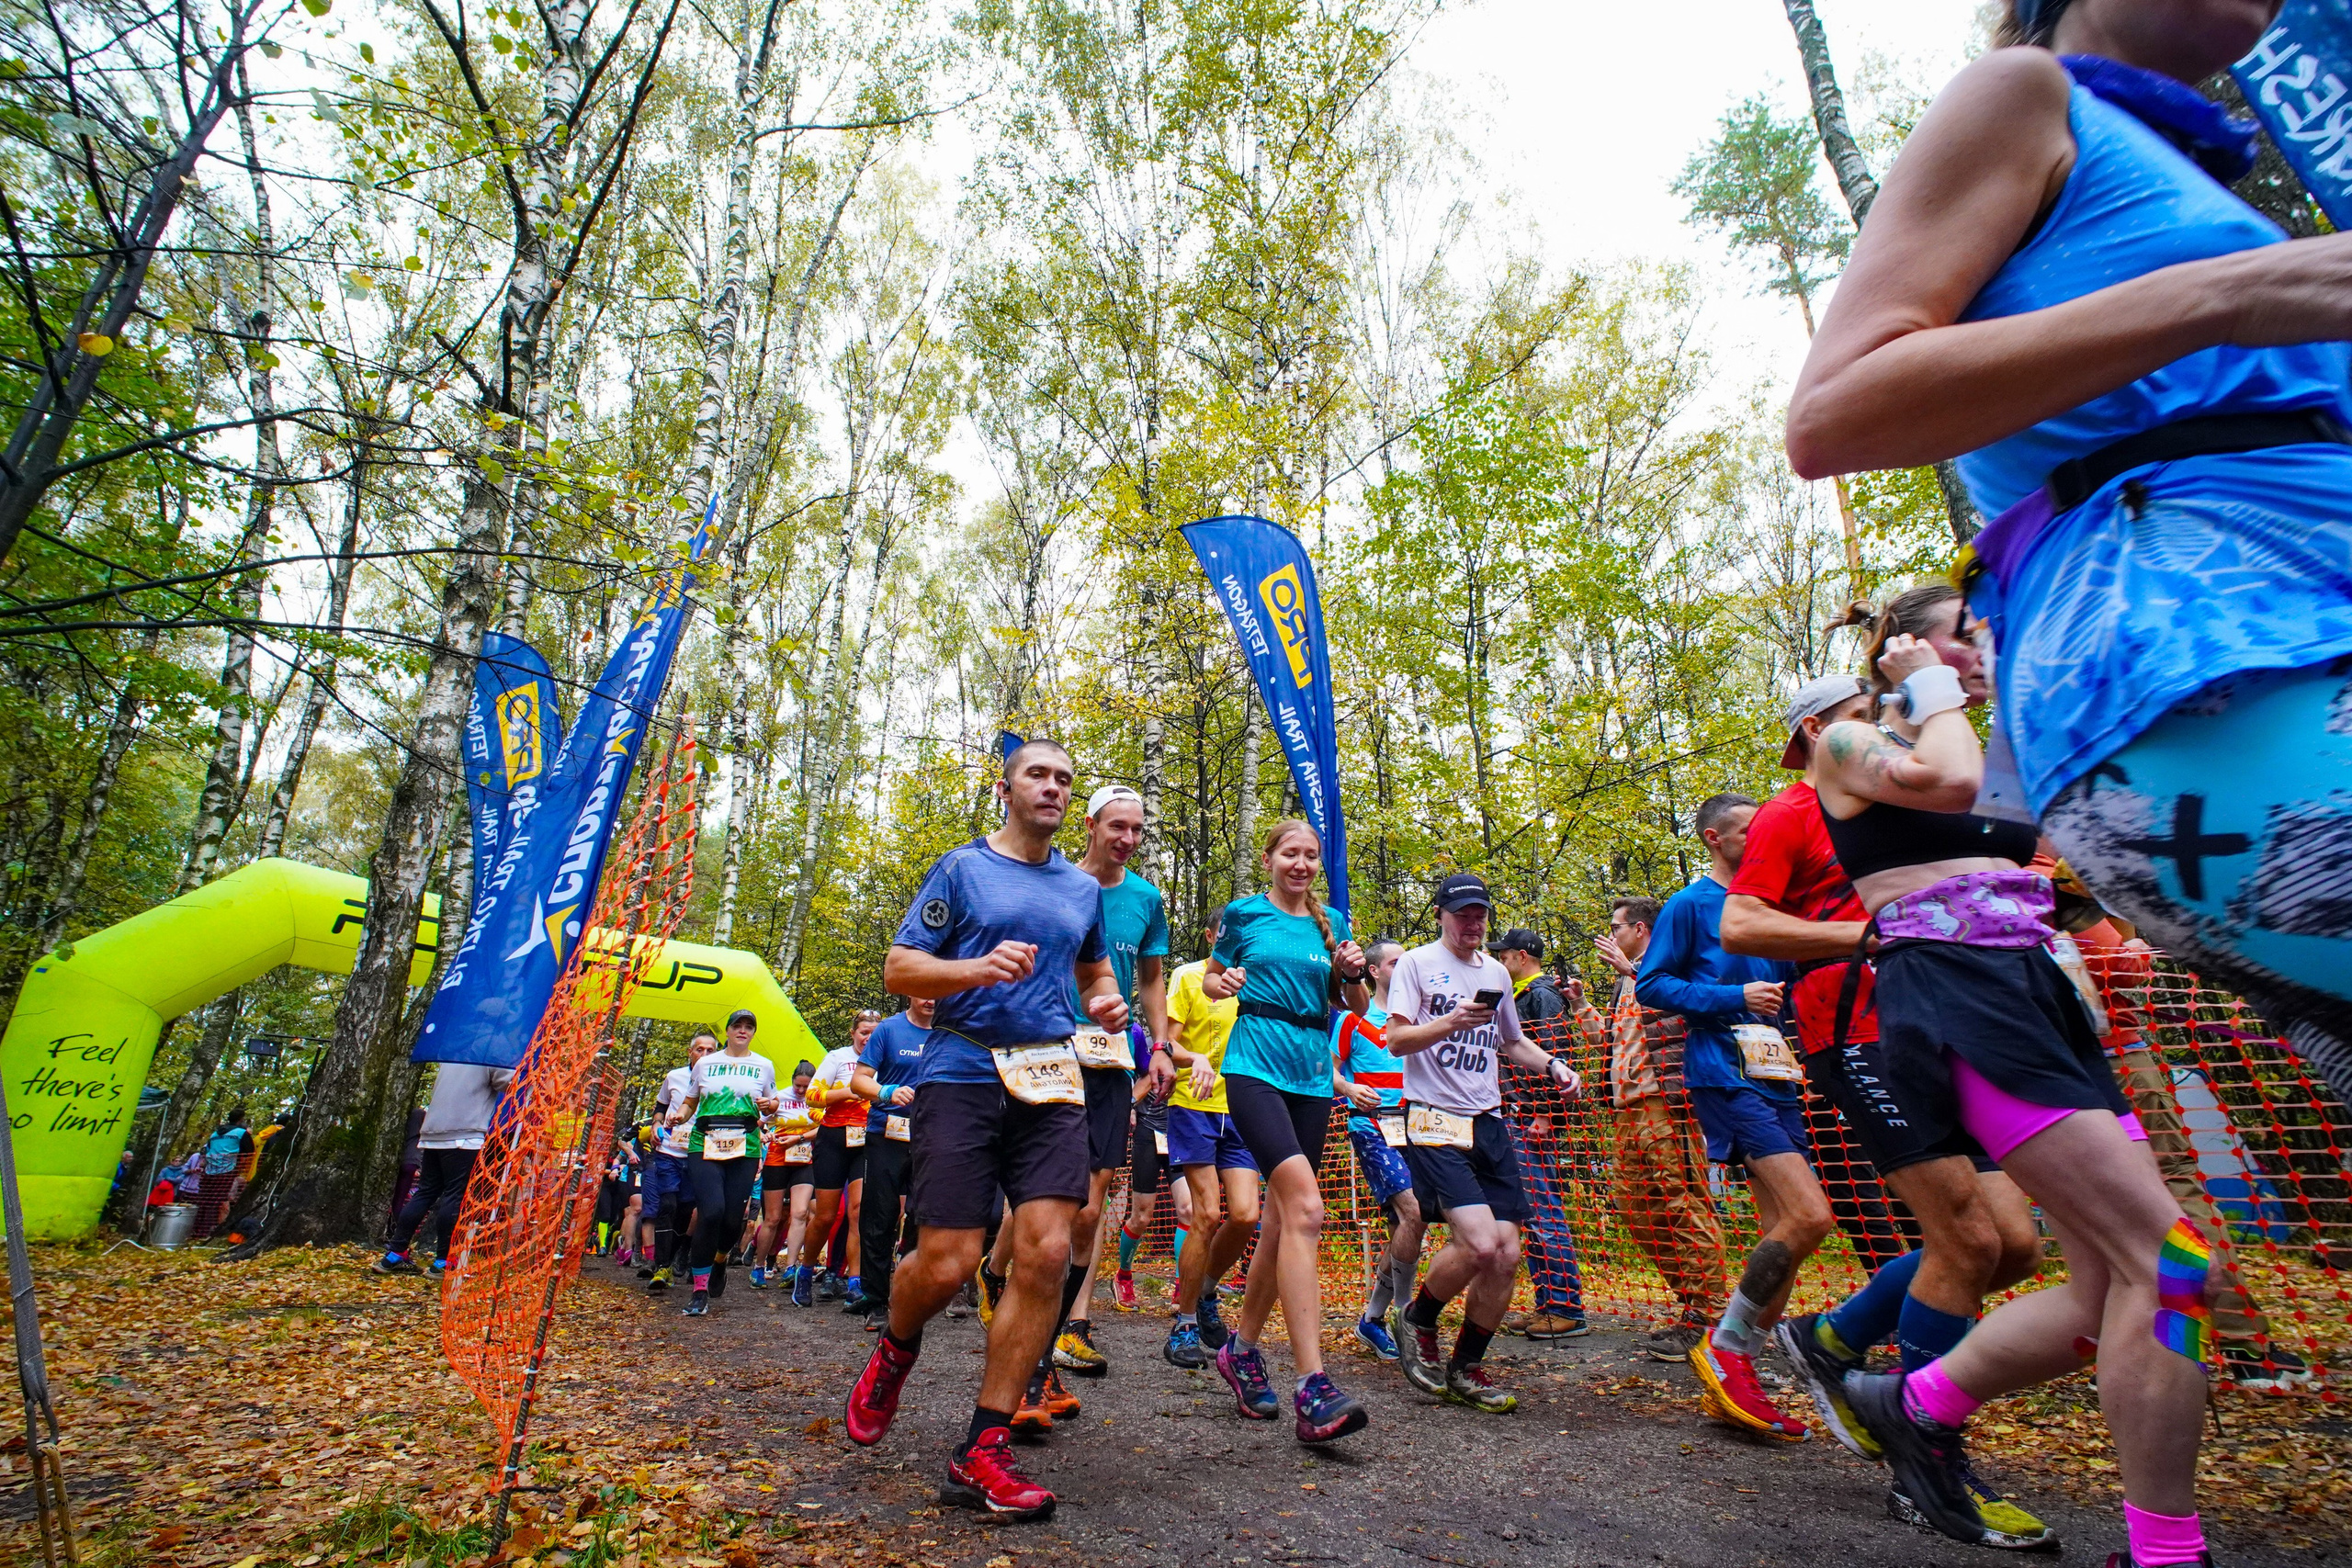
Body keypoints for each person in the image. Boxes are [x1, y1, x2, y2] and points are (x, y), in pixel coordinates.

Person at [1787, 0, 2352, 1121]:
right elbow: (1832, 416)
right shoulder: (2024, 94)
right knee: (2029, 1211)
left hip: (2271, 638)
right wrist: (2229, 295)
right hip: (2198, 660)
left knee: (2136, 1209)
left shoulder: (2187, 170)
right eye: (1944, 638)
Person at [1802, 592, 2213, 1567]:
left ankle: (1916, 1403)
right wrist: (1928, 684)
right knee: (2171, 1262)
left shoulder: (1989, 744)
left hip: (2041, 995)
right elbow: (1944, 780)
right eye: (1970, 630)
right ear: (1905, 648)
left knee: (2103, 1285)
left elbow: (2081, 825)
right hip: (1956, 995)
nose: (1989, 644)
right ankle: (2167, 1551)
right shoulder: (1849, 745)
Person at [1723, 664, 2053, 1550]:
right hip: (1858, 1031)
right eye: (1865, 712)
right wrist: (1867, 933)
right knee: (1966, 1241)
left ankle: (1835, 1337)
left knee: (2013, 1244)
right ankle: (1928, 1461)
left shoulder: (1913, 802)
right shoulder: (1793, 810)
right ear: (1815, 732)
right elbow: (1741, 926)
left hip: (1958, 1023)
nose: (1885, 722)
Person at [842, 738, 1131, 1523]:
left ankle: (983, 1445)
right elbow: (901, 967)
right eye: (1038, 774)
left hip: (1051, 1076)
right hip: (962, 1069)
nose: (1053, 787)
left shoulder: (1080, 887)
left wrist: (1105, 1001)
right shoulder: (962, 868)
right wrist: (975, 968)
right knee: (947, 1261)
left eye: (1065, 778)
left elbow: (1093, 970)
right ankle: (896, 1344)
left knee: (1047, 1249)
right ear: (1005, 788)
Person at [1635, 794, 1819, 1442]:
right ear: (1715, 837)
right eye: (1749, 830)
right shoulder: (1690, 905)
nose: (1764, 839)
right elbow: (1651, 984)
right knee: (1810, 1215)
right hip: (1721, 1070)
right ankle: (1727, 1347)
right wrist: (1732, 995)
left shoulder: (1774, 904)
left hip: (1779, 1073)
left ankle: (1740, 1370)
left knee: (1784, 1229)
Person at [1200, 819, 1374, 1445]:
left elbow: (1356, 1006)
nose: (1301, 864)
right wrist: (1225, 982)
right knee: (1306, 1208)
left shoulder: (1333, 921)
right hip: (1253, 1067)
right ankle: (1313, 1384)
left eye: (1311, 856)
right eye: (1290, 854)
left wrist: (1351, 972)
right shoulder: (1244, 914)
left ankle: (1241, 1350)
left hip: (1312, 1075)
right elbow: (1212, 979)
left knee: (1279, 1221)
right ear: (1269, 858)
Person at [1384, 874, 1584, 1414]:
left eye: (1480, 915)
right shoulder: (1416, 964)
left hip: (1489, 1121)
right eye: (1462, 914)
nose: (1473, 924)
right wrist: (1450, 1021)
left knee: (1507, 1255)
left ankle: (1467, 1367)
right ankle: (1418, 1319)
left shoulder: (1496, 971)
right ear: (1441, 915)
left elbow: (1512, 1041)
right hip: (1434, 1118)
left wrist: (1553, 1065)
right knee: (1479, 1244)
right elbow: (1396, 1039)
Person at [1035, 784, 1175, 1390]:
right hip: (1045, 1046)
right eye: (1117, 826)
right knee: (1044, 1194)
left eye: (1137, 829)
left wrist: (1160, 1045)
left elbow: (1151, 978)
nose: (1128, 838)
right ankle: (1008, 1286)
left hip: (1111, 1054)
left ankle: (1075, 1321)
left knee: (1092, 1202)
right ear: (1090, 825)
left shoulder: (1146, 897)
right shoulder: (1054, 880)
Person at [1594, 898, 1725, 1359]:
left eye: (1616, 927)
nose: (1611, 935)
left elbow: (1691, 1009)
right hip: (1626, 1109)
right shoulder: (1623, 982)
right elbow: (1611, 1040)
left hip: (1667, 1105)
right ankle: (1691, 1304)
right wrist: (1582, 1004)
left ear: (1640, 929)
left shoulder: (1669, 967)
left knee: (1684, 1204)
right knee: (1638, 1209)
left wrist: (1632, 971)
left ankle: (1708, 1318)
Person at [1161, 912, 1255, 1371]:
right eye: (1225, 935)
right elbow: (1167, 1044)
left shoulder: (1255, 981)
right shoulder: (1188, 976)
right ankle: (1183, 1325)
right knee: (1207, 1214)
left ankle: (1205, 1292)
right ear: (1211, 937)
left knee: (1246, 1215)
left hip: (1242, 1107)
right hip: (1193, 1104)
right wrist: (1194, 1057)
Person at [1487, 928, 1591, 1340]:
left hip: (1532, 1119)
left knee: (1544, 1210)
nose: (1501, 961)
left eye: (1505, 955)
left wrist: (1544, 1113)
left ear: (1523, 956)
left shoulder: (1542, 996)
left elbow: (1555, 1055)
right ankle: (1548, 1304)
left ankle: (1566, 1307)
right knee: (1530, 1212)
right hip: (1516, 1114)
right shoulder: (1518, 997)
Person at [1329, 938, 1422, 1359]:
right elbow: (1327, 1070)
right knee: (1413, 1213)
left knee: (1407, 1228)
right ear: (1374, 971)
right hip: (1371, 1126)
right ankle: (1407, 1318)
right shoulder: (1353, 1019)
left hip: (1418, 1127)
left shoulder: (1416, 1017)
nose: (1405, 967)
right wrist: (1350, 1088)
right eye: (1395, 962)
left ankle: (1372, 1319)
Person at [663, 1010, 778, 1315]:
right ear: (727, 1031)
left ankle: (719, 1260)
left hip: (745, 1146)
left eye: (748, 1027)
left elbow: (773, 1104)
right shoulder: (706, 1063)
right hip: (705, 1142)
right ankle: (699, 1291)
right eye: (737, 1026)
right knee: (711, 1212)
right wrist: (679, 1116)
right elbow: (691, 1101)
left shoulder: (763, 1065)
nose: (742, 1031)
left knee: (731, 1220)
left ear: (753, 1033)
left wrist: (769, 1105)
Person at [375, 1067, 514, 1274]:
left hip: (433, 1133)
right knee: (454, 1195)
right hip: (463, 1136)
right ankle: (443, 1262)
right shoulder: (488, 1057)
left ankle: (395, 1253)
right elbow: (512, 1083)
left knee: (425, 1192)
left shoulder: (452, 1057)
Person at [849, 998, 934, 1325]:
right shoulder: (889, 1029)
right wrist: (887, 1091)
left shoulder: (950, 1030)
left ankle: (910, 1290)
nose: (930, 1000)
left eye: (936, 992)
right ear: (910, 992)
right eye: (923, 992)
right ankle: (875, 1300)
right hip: (887, 1133)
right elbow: (859, 1080)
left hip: (932, 1135)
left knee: (924, 1215)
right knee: (880, 1215)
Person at [796, 1012, 876, 1307]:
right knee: (827, 1216)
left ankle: (854, 1282)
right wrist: (850, 1091)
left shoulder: (884, 1059)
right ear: (853, 1033)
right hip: (833, 1139)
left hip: (866, 1140)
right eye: (864, 1032)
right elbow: (813, 1096)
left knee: (858, 1212)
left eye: (874, 1033)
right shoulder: (838, 1058)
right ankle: (805, 1271)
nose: (868, 1038)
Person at [645, 1034, 716, 1291]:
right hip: (669, 1151)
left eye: (710, 1050)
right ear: (690, 1052)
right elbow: (660, 1106)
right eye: (699, 1049)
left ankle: (674, 1256)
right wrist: (656, 1124)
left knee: (686, 1211)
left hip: (699, 1153)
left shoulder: (719, 1080)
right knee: (667, 1205)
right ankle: (661, 1265)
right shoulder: (674, 1076)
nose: (704, 1055)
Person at [752, 1059, 819, 1288]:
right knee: (773, 1218)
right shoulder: (779, 1097)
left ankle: (790, 1268)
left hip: (804, 1161)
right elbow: (757, 1123)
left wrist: (800, 1138)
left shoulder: (817, 1100)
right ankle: (759, 1266)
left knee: (800, 1213)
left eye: (805, 1087)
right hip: (777, 1160)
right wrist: (763, 1135)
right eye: (797, 1086)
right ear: (792, 1082)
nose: (800, 1091)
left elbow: (824, 1127)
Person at [194, 1109, 254, 1238]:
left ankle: (198, 1229)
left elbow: (207, 1149)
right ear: (241, 1119)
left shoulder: (215, 1134)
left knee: (205, 1199)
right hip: (227, 1170)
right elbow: (250, 1150)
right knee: (219, 1200)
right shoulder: (241, 1133)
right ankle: (210, 1230)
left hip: (210, 1170)